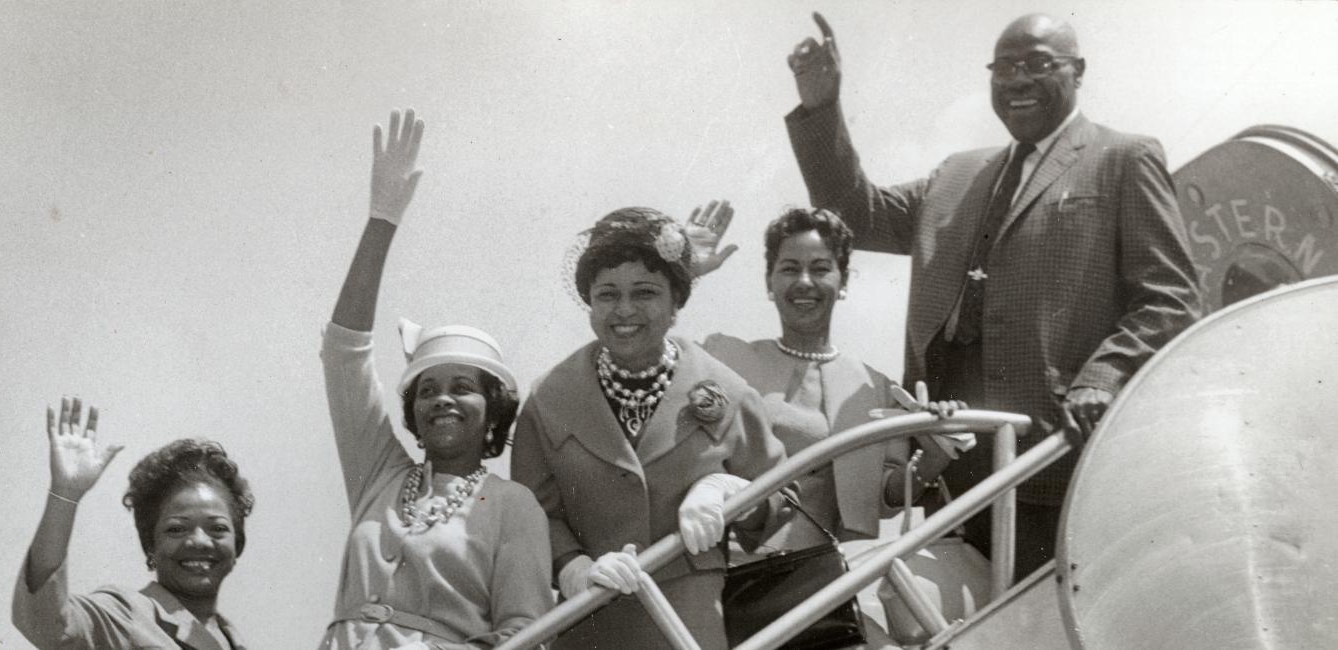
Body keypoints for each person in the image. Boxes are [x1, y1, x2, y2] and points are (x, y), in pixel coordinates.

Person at [782, 12, 1202, 576]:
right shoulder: (957, 174)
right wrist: (820, 108)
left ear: (1078, 72)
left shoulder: (1123, 159)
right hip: (947, 455)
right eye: (1004, 67)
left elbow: (1169, 296)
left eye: (1037, 64)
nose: (1018, 80)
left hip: (1051, 457)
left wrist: (1102, 378)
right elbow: (857, 215)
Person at [318, 108, 552, 649]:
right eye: (427, 389)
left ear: (493, 408)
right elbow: (343, 355)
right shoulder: (379, 476)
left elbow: (525, 631)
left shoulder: (514, 507)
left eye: (461, 386)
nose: (442, 399)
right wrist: (382, 218)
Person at [511, 206, 789, 649]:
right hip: (590, 624)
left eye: (645, 292)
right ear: (588, 301)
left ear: (676, 302)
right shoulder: (548, 398)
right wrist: (572, 568)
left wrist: (727, 490)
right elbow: (531, 513)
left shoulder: (728, 390)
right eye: (606, 294)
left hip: (689, 627)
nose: (624, 310)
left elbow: (779, 498)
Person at [688, 204, 966, 549]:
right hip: (735, 569)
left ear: (843, 280)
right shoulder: (726, 357)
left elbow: (886, 497)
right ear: (769, 282)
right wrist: (682, 273)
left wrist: (933, 457)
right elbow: (646, 359)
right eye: (789, 268)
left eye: (820, 269)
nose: (804, 282)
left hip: (840, 576)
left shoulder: (874, 386)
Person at [13, 397, 254, 650]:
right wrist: (64, 495)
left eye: (217, 528)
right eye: (176, 529)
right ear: (151, 544)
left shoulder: (233, 640)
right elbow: (48, 623)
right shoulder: (124, 615)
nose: (199, 541)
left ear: (237, 544)